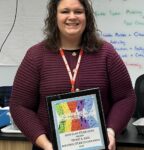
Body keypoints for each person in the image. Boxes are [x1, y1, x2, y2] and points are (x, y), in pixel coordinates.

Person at [10, 0, 136, 150]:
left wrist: (110, 131)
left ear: (87, 16)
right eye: (65, 11)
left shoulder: (106, 53)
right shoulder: (36, 56)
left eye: (78, 11)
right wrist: (46, 145)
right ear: (54, 16)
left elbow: (125, 98)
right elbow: (20, 106)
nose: (72, 17)